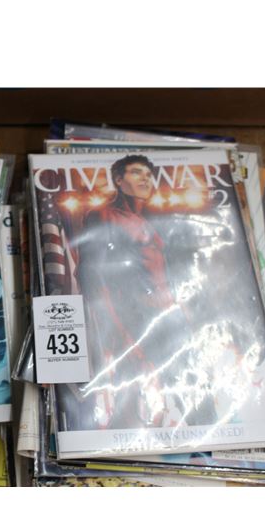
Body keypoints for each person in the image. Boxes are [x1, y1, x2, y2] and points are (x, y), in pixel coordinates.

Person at [73, 154, 186, 430]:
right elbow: (92, 277)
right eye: (137, 173)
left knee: (178, 396)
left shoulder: (146, 221)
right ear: (119, 180)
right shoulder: (104, 216)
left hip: (167, 319)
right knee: (133, 401)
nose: (145, 179)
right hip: (134, 321)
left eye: (148, 174)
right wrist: (119, 332)